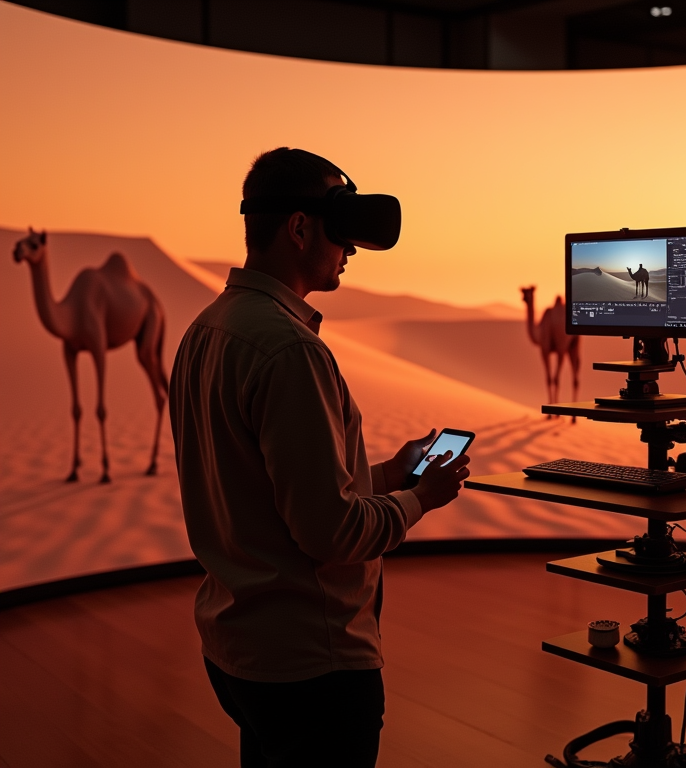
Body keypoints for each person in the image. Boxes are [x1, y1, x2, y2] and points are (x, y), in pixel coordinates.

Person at [169, 147, 470, 767]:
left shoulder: (208, 329)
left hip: (238, 649)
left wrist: (388, 473)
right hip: (312, 666)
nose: (351, 248)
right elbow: (330, 531)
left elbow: (267, 487)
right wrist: (420, 498)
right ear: (299, 228)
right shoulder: (291, 352)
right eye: (340, 227)